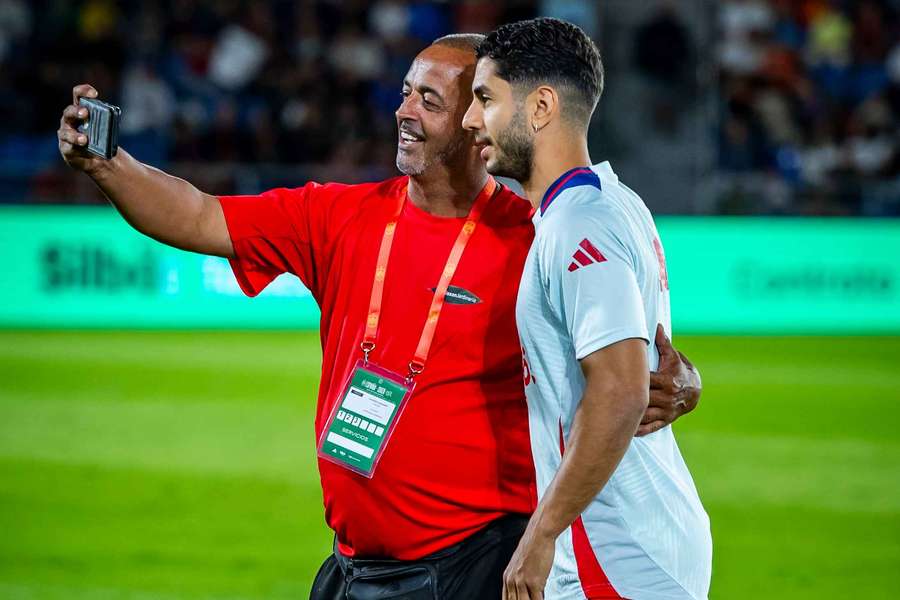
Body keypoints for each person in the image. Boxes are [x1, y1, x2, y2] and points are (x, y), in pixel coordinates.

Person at [58, 34, 703, 600]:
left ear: (478, 122)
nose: (404, 113)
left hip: (476, 564)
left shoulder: (536, 238)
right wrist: (109, 164)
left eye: (430, 100)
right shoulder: (339, 215)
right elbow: (201, 215)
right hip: (350, 566)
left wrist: (684, 380)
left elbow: (631, 359)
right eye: (405, 93)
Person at [462, 18, 712, 600]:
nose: (472, 120)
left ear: (542, 105)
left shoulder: (577, 224)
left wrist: (540, 536)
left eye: (485, 98)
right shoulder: (614, 201)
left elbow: (621, 390)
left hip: (614, 550)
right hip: (642, 537)